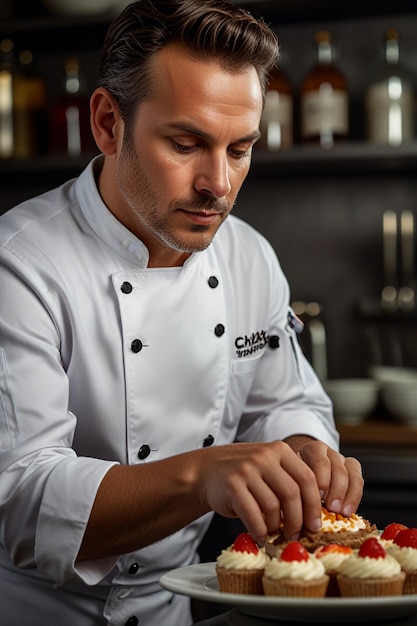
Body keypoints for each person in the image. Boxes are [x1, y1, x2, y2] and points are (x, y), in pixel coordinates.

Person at [0, 1, 363, 624]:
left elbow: (281, 401)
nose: (217, 184)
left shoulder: (248, 255)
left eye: (240, 149)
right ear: (110, 123)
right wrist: (201, 475)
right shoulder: (20, 264)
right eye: (187, 143)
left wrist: (306, 450)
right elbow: (22, 501)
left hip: (176, 608)